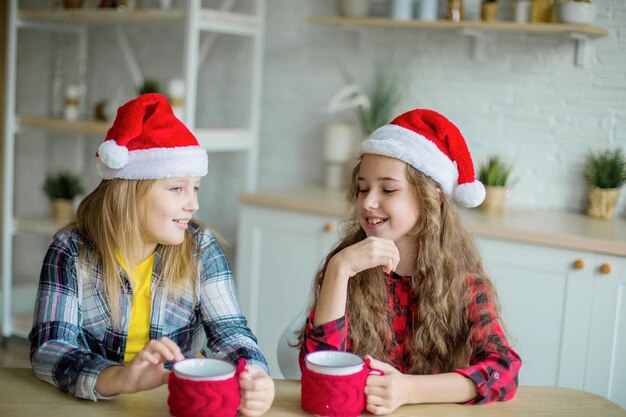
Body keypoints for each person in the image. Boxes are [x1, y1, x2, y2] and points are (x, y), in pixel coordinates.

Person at [29, 93, 274, 416]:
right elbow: (49, 347)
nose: (193, 204)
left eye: (195, 187)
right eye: (177, 188)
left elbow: (232, 334)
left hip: (176, 403)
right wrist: (120, 378)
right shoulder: (71, 250)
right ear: (129, 190)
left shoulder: (201, 248)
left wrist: (253, 373)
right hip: (94, 402)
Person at [297, 108, 522, 414]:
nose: (368, 202)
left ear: (433, 198)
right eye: (363, 188)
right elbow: (319, 371)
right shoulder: (347, 268)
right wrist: (338, 270)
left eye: (388, 189)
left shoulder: (465, 284)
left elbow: (503, 371)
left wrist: (409, 389)